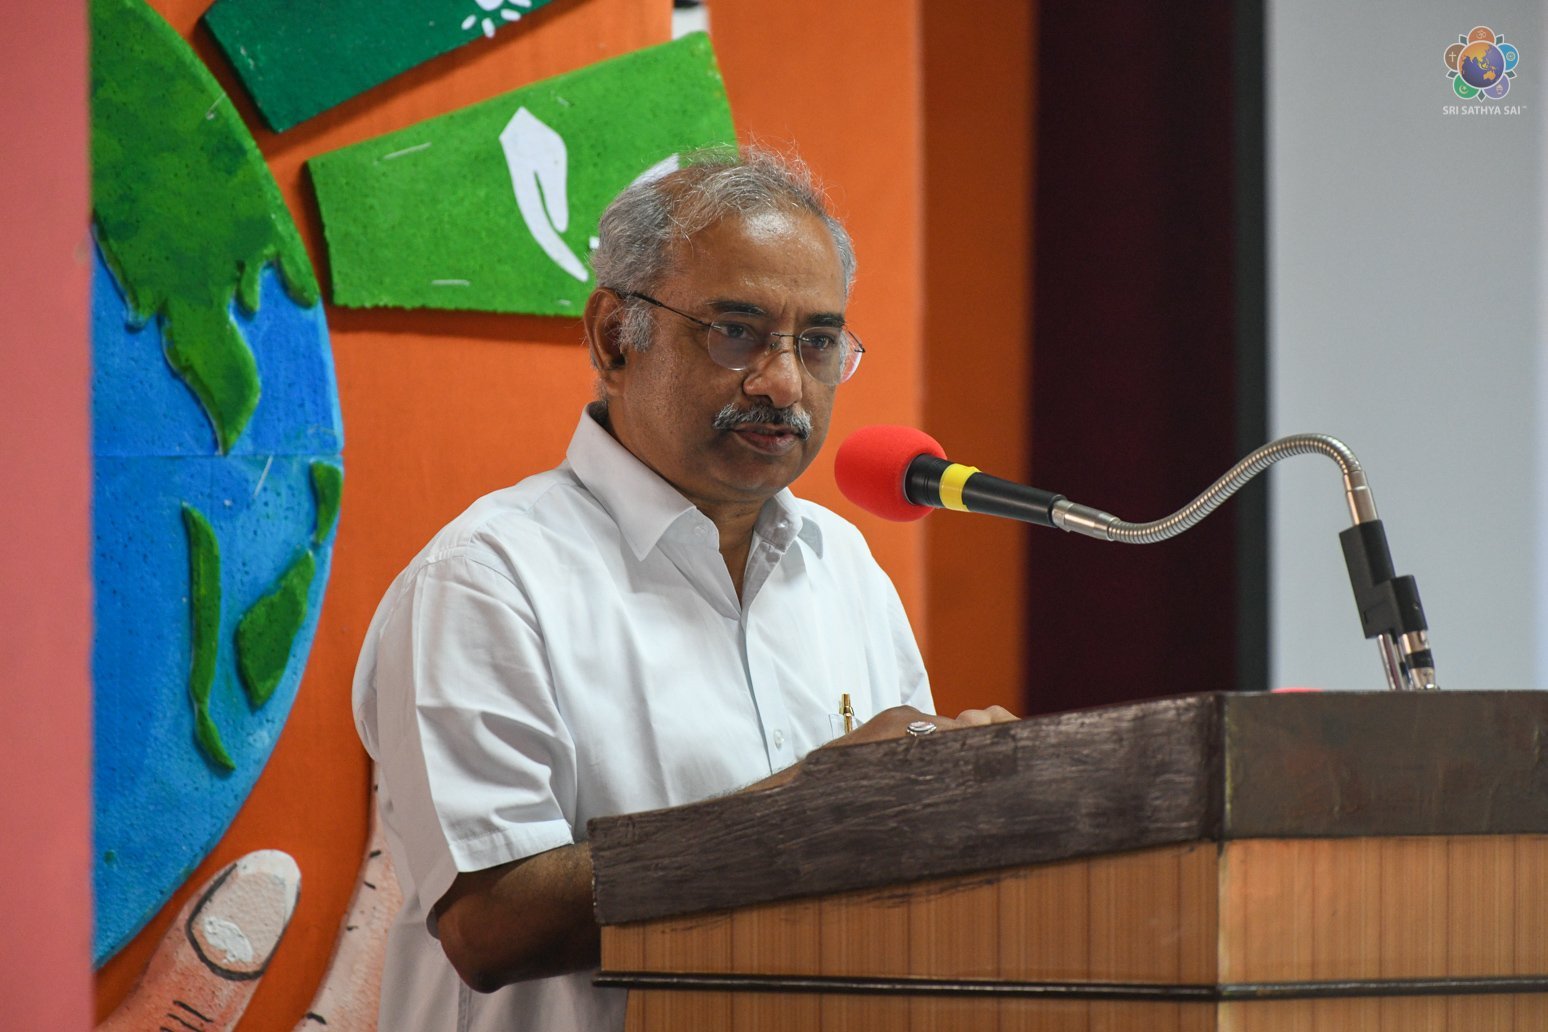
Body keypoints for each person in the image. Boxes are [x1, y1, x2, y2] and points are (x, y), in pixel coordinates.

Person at [352, 147, 1017, 1031]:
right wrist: (822, 806)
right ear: (614, 337)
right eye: (736, 331)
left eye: (818, 342)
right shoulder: (487, 578)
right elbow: (493, 925)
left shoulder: (843, 568)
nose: (784, 383)